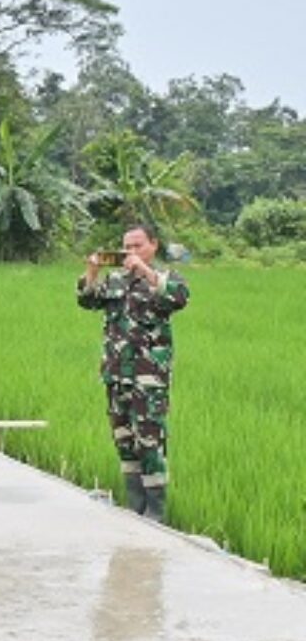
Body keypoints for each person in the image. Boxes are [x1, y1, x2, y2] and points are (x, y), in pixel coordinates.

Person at [77, 223, 190, 522]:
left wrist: (146, 272)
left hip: (147, 378)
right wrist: (92, 270)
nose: (131, 252)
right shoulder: (116, 280)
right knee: (124, 440)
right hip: (116, 375)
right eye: (127, 247)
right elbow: (87, 300)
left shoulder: (165, 279)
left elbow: (179, 298)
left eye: (138, 246)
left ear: (153, 245)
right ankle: (135, 506)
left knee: (149, 441)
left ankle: (155, 512)